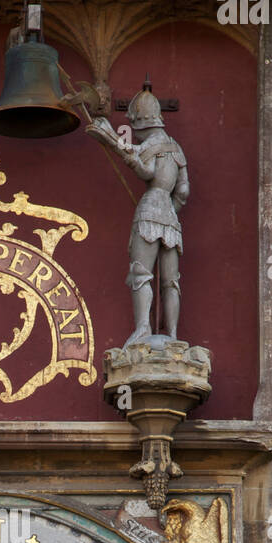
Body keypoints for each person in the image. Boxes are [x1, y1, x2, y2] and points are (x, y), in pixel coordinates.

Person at [87, 80, 189, 345]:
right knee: (171, 281)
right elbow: (184, 191)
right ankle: (174, 335)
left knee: (140, 273)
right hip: (170, 216)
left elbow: (147, 171)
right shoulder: (176, 148)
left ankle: (143, 327)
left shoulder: (150, 144)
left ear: (140, 122)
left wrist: (125, 154)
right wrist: (170, 212)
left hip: (149, 210)